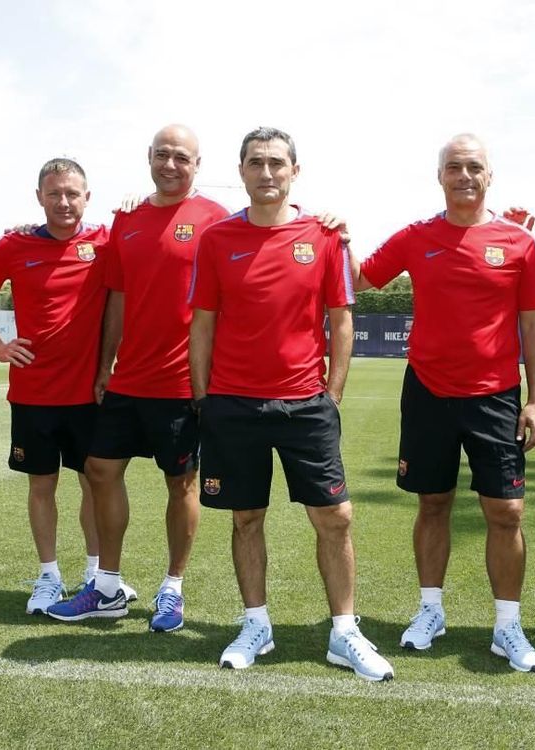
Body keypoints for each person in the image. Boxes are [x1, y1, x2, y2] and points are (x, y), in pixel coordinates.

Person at [188, 126, 393, 681]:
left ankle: (344, 632)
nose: (267, 172)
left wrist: (334, 395)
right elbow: (202, 323)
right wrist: (204, 396)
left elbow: (341, 320)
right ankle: (256, 625)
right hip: (233, 404)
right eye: (256, 162)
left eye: (277, 162)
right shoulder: (216, 239)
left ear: (294, 171)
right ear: (241, 171)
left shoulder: (323, 235)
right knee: (246, 517)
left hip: (306, 403)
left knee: (335, 517)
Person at [350, 133, 535, 673]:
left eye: (474, 167)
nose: (465, 176)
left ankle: (507, 626)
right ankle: (430, 610)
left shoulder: (519, 243)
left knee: (506, 512)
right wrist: (330, 235)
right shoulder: (417, 236)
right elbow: (361, 277)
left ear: (490, 175)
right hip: (428, 392)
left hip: (495, 397)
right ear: (439, 176)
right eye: (455, 167)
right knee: (433, 503)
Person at [45, 125, 228, 628]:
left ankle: (173, 588)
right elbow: (118, 299)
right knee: (100, 470)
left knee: (181, 483)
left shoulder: (216, 218)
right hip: (128, 378)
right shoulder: (126, 218)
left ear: (197, 164)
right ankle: (107, 586)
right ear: (149, 157)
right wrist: (105, 364)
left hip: (183, 382)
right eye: (162, 155)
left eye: (182, 157)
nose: (170, 164)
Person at [0, 158, 107, 615]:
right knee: (42, 485)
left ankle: (97, 575)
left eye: (72, 193)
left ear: (87, 197)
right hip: (33, 393)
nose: (63, 202)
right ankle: (48, 575)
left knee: (94, 484)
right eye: (54, 193)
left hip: (89, 394)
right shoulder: (14, 244)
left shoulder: (105, 242)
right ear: (39, 196)